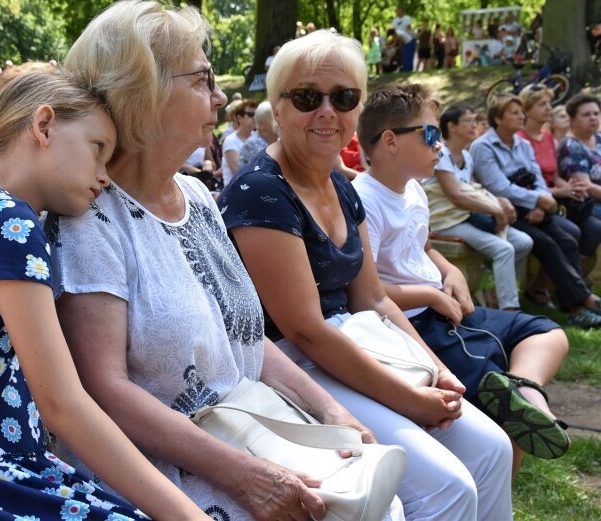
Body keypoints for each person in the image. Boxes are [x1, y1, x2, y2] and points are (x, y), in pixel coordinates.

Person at [56, 3, 404, 519]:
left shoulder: (196, 195)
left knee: (378, 501)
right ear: (140, 95)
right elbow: (103, 390)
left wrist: (330, 411)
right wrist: (245, 478)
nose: (219, 96)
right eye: (201, 80)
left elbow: (244, 334)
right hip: (163, 471)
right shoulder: (89, 219)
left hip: (252, 431)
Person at [0, 69, 207, 521]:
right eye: (99, 149)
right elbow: (63, 404)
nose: (105, 177)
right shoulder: (6, 220)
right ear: (44, 125)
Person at [219, 30, 511, 520]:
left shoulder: (340, 183)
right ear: (279, 105)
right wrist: (411, 400)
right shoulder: (260, 193)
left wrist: (433, 368)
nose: (328, 111)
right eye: (308, 97)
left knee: (493, 448)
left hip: (361, 343)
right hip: (293, 368)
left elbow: (373, 298)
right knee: (448, 488)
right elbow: (304, 330)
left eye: (345, 97)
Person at [353, 83, 570, 473]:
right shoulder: (364, 199)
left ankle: (521, 390)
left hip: (445, 307)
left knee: (548, 334)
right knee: (504, 434)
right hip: (415, 325)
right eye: (431, 133)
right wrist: (433, 296)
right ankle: (512, 408)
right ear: (390, 141)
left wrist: (450, 271)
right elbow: (365, 290)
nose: (440, 145)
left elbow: (421, 248)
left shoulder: (414, 190)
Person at [470, 93, 601, 328]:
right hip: (506, 212)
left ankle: (575, 304)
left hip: (534, 207)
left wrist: (540, 200)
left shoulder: (523, 144)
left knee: (569, 240)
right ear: (498, 119)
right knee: (548, 244)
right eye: (515, 113)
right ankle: (581, 303)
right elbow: (498, 186)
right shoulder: (483, 146)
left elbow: (538, 177)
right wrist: (537, 199)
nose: (521, 116)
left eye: (522, 112)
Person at [426, 104, 532, 311]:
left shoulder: (466, 156)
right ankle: (510, 308)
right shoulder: (442, 154)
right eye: (468, 121)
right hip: (446, 220)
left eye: (475, 120)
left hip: (466, 216)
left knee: (523, 242)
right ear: (452, 126)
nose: (474, 125)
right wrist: (494, 209)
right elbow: (455, 194)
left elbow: (472, 189)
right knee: (504, 249)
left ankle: (494, 295)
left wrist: (499, 202)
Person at [519, 87, 601, 288]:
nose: (549, 108)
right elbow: (526, 181)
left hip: (558, 199)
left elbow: (554, 175)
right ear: (527, 109)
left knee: (592, 227)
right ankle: (561, 287)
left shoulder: (546, 136)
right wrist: (558, 193)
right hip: (534, 203)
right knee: (574, 230)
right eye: (542, 104)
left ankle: (576, 286)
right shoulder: (521, 139)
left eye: (549, 103)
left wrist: (567, 189)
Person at [558, 93, 601, 223]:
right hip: (590, 204)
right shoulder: (571, 146)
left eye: (596, 113)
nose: (593, 118)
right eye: (586, 115)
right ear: (572, 119)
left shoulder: (598, 139)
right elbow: (586, 186)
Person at [221, 98, 257, 185]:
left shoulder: (256, 137)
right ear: (239, 118)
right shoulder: (230, 141)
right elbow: (239, 172)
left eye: (256, 114)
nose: (254, 118)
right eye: (250, 114)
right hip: (236, 190)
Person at [239, 100, 278, 167]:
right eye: (274, 118)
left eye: (278, 116)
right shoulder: (253, 144)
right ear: (261, 124)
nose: (278, 121)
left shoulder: (280, 139)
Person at [392, 7, 415, 72]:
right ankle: (403, 68)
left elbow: (409, 28)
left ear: (403, 11)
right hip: (401, 41)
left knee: (408, 56)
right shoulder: (395, 20)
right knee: (402, 56)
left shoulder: (407, 18)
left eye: (399, 11)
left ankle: (408, 69)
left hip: (408, 39)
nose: (398, 13)